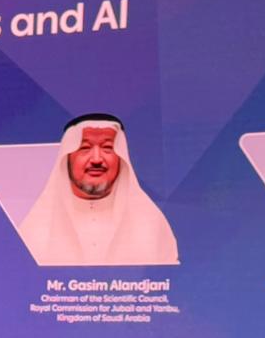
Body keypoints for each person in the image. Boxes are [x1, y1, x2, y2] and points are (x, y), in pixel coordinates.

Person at [18, 114, 179, 266]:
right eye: (85, 148)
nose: (96, 159)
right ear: (67, 157)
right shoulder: (36, 228)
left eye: (107, 148)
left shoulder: (151, 224)